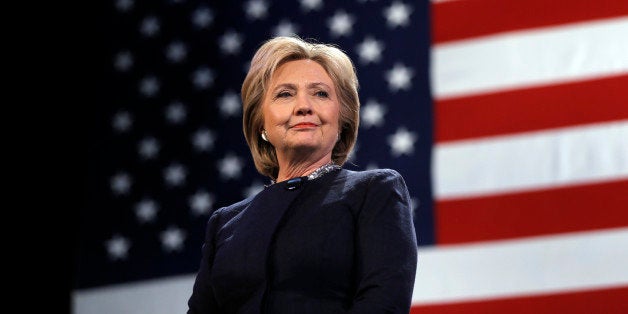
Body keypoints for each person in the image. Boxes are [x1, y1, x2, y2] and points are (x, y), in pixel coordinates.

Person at [187, 36, 418, 314]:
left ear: (342, 120)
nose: (303, 106)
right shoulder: (224, 223)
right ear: (261, 122)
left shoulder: (374, 191)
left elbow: (383, 305)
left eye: (320, 93)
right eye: (285, 94)